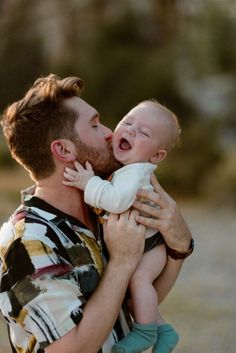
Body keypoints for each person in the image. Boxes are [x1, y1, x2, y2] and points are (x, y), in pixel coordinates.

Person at [0, 74, 193, 353]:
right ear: (64, 149)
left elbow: (131, 303)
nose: (109, 132)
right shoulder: (26, 244)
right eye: (94, 124)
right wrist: (122, 262)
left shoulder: (101, 213)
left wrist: (178, 249)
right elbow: (71, 349)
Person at [63, 100, 182, 353]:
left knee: (139, 280)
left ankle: (145, 332)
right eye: (127, 122)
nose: (129, 131)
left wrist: (88, 183)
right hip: (144, 240)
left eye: (143, 133)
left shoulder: (136, 172)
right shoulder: (127, 169)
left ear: (157, 155)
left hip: (151, 244)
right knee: (133, 294)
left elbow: (117, 201)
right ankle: (163, 330)